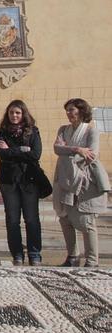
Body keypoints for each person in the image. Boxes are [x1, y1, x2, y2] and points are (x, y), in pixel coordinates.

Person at [53, 98, 110, 268]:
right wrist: (77, 149)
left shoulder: (91, 132)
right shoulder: (64, 130)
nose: (69, 113)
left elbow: (92, 154)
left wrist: (68, 155)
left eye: (72, 110)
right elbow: (57, 149)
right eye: (67, 110)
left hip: (86, 180)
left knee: (86, 220)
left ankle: (92, 260)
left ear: (81, 111)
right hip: (65, 178)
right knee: (65, 217)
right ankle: (73, 256)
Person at [0, 100, 42, 266]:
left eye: (18, 113)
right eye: (11, 113)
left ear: (23, 114)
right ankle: (17, 254)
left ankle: (35, 254)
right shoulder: (2, 132)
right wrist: (23, 150)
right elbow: (2, 153)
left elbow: (35, 154)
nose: (14, 116)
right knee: (13, 219)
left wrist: (12, 150)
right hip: (9, 181)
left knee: (31, 219)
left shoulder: (32, 131)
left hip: (29, 180)